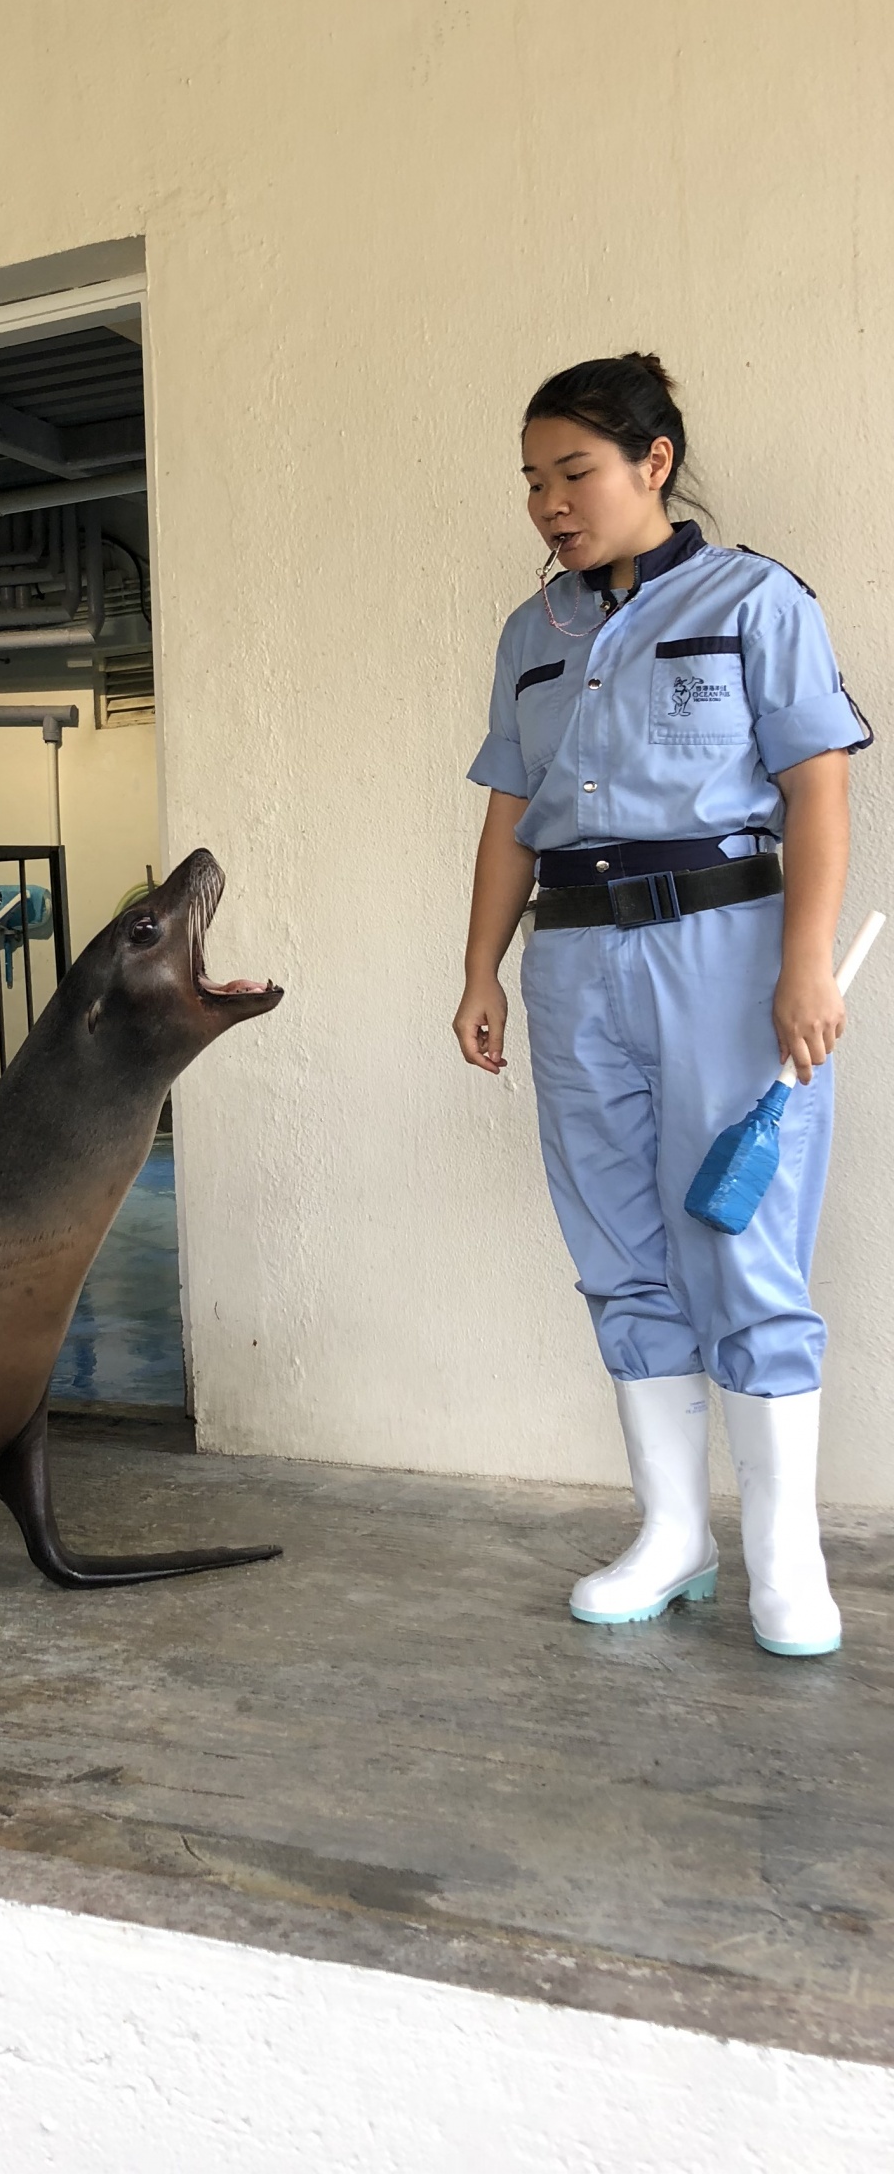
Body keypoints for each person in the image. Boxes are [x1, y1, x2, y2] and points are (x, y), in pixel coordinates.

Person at [453, 353, 871, 1656]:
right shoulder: (531, 634)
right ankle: (673, 1534)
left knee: (742, 1239)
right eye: (533, 480)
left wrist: (804, 963)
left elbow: (818, 787)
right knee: (620, 1251)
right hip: (574, 956)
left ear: (655, 463)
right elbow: (509, 817)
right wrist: (480, 970)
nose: (550, 503)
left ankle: (786, 1561)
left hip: (725, 950)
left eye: (574, 472)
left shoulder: (757, 599)